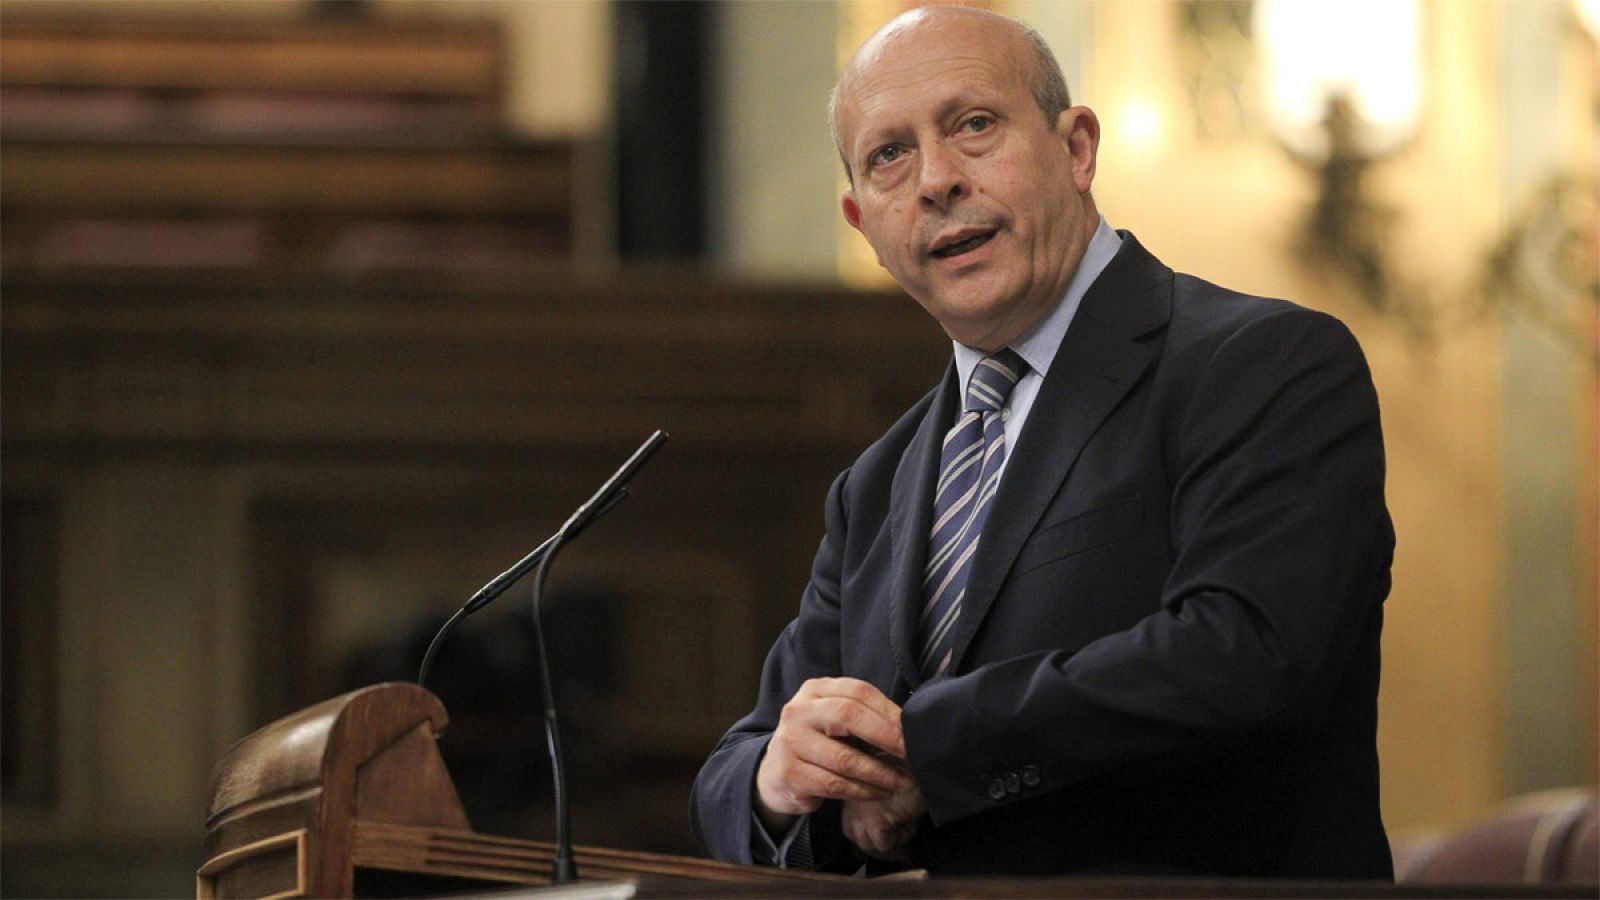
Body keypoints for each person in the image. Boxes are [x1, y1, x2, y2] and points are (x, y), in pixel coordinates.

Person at [690, 5, 1395, 880]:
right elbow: (741, 766)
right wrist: (777, 780)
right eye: (889, 155)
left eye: (973, 125)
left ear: (1077, 149)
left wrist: (931, 753)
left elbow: (1247, 654)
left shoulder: (1263, 364)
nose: (936, 180)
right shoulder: (874, 486)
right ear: (862, 222)